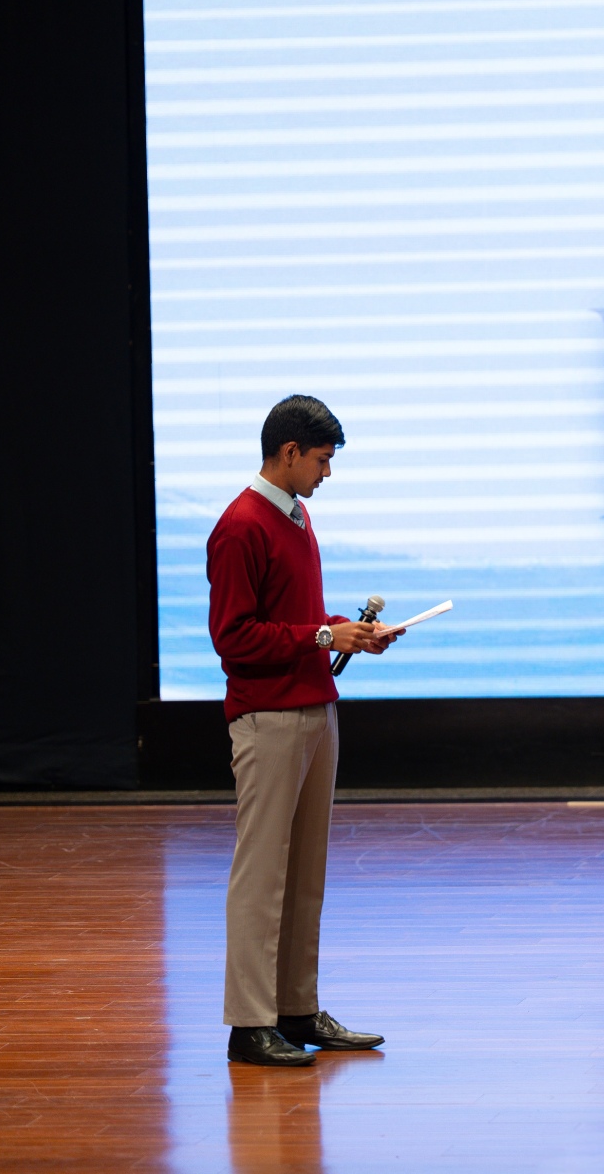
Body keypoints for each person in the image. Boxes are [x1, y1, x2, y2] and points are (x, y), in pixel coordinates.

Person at [207, 394, 403, 1066]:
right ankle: (249, 1024)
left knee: (304, 874)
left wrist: (348, 634)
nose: (327, 473)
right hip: (268, 718)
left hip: (314, 709)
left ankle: (294, 1007)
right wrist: (323, 635)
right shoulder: (241, 525)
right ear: (288, 452)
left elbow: (292, 618)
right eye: (321, 460)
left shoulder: (295, 514)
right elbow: (234, 638)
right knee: (262, 874)